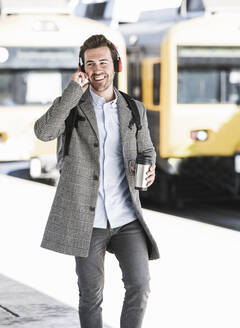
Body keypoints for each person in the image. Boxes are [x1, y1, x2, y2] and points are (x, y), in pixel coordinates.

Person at [34, 34, 159, 328]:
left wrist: (149, 168)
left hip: (127, 217)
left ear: (115, 65)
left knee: (140, 286)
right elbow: (44, 132)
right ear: (82, 68)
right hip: (87, 221)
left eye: (103, 61)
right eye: (90, 64)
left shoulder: (133, 108)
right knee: (91, 296)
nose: (97, 69)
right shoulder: (72, 106)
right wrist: (71, 91)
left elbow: (147, 150)